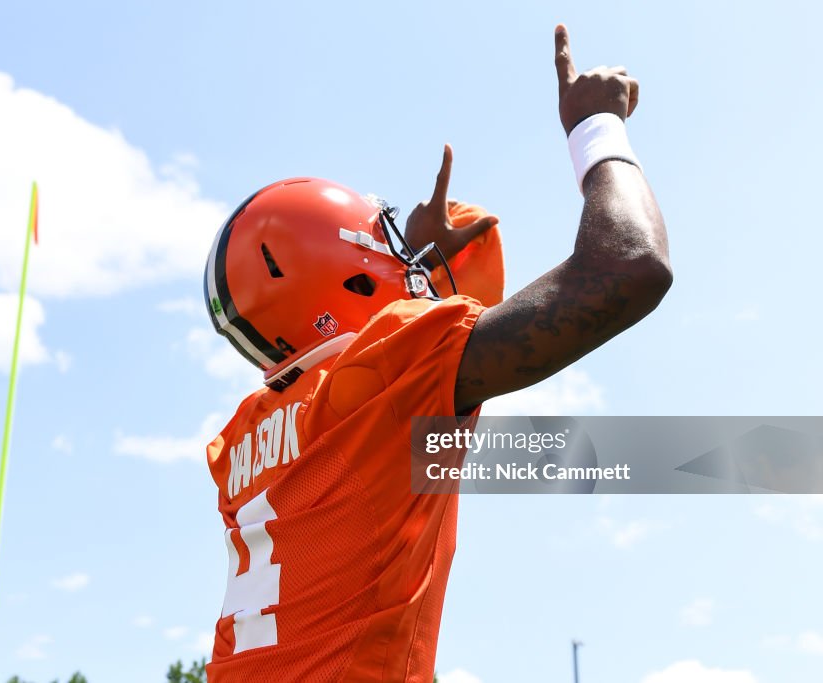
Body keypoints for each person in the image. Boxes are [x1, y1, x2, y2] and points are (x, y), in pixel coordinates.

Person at [201, 24, 671, 683]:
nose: (398, 252)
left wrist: (410, 261)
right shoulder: (387, 367)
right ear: (342, 267)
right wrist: (595, 126)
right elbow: (631, 266)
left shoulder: (247, 434)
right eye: (382, 237)